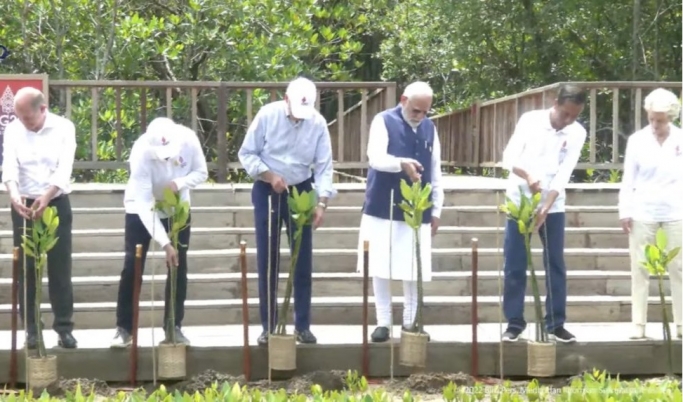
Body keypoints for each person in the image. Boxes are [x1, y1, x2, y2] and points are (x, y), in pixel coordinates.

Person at [238, 77, 335, 346]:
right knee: (268, 259)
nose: (300, 117)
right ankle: (269, 327)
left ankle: (302, 325)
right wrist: (269, 175)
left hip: (301, 189)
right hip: (268, 187)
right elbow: (247, 154)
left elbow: (325, 166)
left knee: (302, 259)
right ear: (285, 100)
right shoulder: (267, 115)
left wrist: (322, 201)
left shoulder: (317, 123)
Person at [357, 81, 444, 343]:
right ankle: (383, 321)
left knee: (413, 264)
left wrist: (437, 208)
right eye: (416, 110)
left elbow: (436, 169)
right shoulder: (383, 120)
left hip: (417, 207)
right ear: (404, 100)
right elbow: (375, 157)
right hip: (383, 202)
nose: (420, 116)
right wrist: (400, 163)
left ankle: (411, 320)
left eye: (425, 111)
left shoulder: (430, 127)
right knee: (380, 263)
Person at [500, 84, 587, 343]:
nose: (568, 120)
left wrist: (547, 207)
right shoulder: (530, 121)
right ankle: (514, 323)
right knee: (515, 264)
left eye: (574, 116)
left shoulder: (577, 132)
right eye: (564, 114)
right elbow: (508, 157)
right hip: (520, 200)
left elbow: (565, 172)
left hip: (553, 205)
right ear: (555, 102)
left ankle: (555, 323)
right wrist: (528, 175)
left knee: (555, 264)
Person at [110, 117, 208, 348]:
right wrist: (165, 243)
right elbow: (145, 204)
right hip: (140, 208)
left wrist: (180, 182)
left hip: (177, 207)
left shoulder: (189, 140)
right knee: (132, 266)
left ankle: (173, 325)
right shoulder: (141, 152)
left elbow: (201, 173)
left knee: (177, 266)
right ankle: (124, 328)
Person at [1, 87, 78, 349]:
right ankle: (32, 329)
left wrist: (46, 198)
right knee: (27, 269)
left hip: (54, 202)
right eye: (20, 118)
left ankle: (64, 327)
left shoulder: (64, 128)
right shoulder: (14, 129)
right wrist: (14, 194)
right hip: (23, 203)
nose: (24, 123)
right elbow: (9, 165)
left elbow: (64, 168)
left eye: (28, 118)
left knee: (59, 268)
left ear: (43, 109)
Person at [618, 88, 682, 340]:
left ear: (671, 117)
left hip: (676, 211)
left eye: (661, 119)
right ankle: (638, 323)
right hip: (643, 211)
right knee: (640, 268)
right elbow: (628, 179)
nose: (656, 124)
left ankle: (680, 324)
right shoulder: (637, 140)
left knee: (678, 268)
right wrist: (625, 210)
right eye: (652, 118)